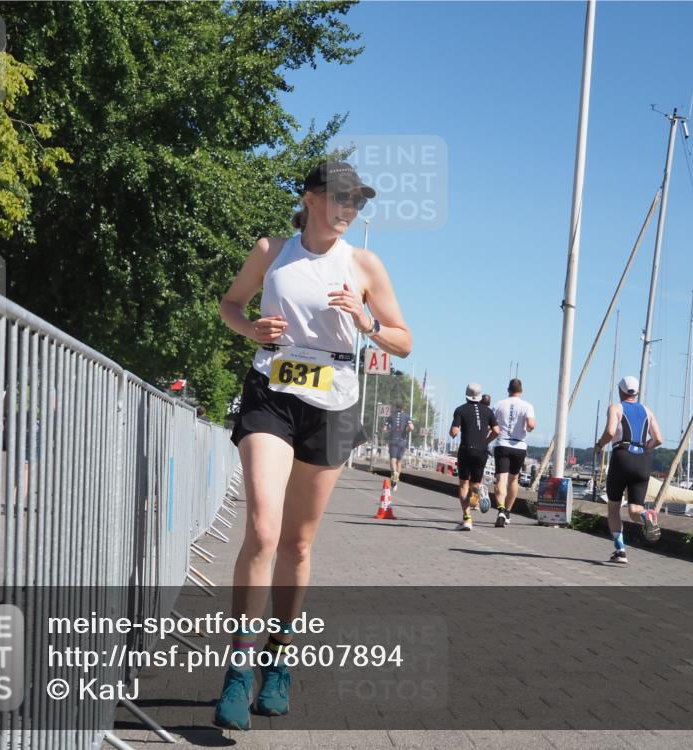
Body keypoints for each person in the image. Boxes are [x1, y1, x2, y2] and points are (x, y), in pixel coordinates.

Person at [216, 160, 411, 730]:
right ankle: (237, 669)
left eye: (357, 202)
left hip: (333, 402)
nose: (348, 210)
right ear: (310, 197)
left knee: (298, 545)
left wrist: (365, 322)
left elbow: (403, 341)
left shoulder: (365, 265)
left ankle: (278, 663)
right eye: (339, 198)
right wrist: (250, 328)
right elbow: (230, 305)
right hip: (271, 393)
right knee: (263, 529)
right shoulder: (271, 249)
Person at [593, 375, 664, 564]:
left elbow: (610, 432)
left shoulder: (616, 408)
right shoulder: (647, 411)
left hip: (622, 456)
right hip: (642, 460)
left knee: (614, 507)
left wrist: (599, 446)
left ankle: (620, 550)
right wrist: (645, 448)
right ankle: (645, 515)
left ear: (620, 391)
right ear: (637, 392)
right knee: (634, 509)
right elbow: (658, 438)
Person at [449, 383, 498, 530]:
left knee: (464, 484)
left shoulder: (460, 410)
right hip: (482, 451)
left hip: (466, 450)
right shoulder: (488, 411)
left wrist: (455, 430)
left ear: (466, 394)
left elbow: (454, 432)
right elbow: (497, 430)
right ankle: (479, 492)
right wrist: (486, 440)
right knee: (475, 483)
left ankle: (467, 519)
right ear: (480, 395)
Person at [491, 378, 536, 528]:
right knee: (514, 479)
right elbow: (530, 425)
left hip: (502, 444)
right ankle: (508, 512)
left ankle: (501, 510)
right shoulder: (527, 406)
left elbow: (490, 426)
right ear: (521, 391)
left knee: (501, 479)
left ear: (508, 390)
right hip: (519, 446)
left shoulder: (498, 404)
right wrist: (528, 428)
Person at [384, 401, 413, 490]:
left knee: (393, 460)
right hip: (402, 441)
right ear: (403, 407)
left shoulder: (391, 416)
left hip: (393, 440)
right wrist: (407, 430)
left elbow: (384, 429)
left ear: (396, 407)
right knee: (399, 462)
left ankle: (395, 474)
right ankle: (395, 482)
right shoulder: (407, 416)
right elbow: (412, 428)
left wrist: (389, 430)